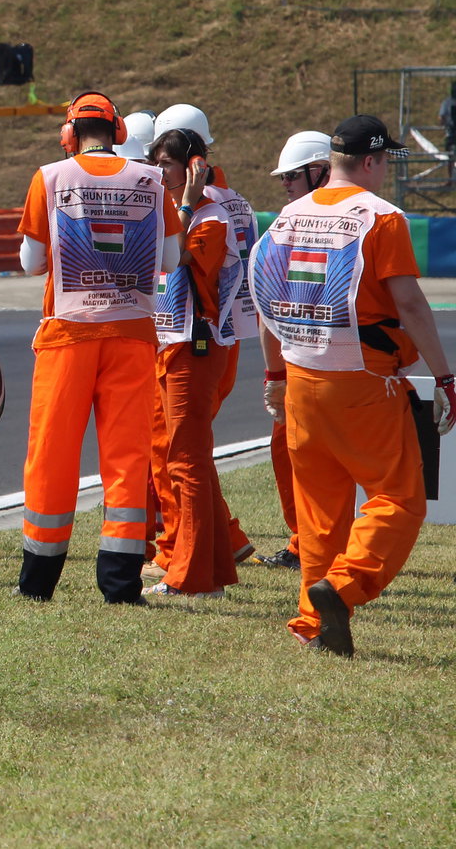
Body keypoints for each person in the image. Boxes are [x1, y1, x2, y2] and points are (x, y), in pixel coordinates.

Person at [250, 114, 456, 657]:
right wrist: (445, 374)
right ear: (371, 161)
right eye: (385, 161)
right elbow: (410, 303)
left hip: (300, 378)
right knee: (401, 499)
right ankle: (340, 589)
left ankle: (313, 625)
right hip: (362, 383)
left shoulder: (286, 218)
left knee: (320, 516)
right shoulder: (381, 219)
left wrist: (275, 375)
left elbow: (264, 307)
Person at [15, 92, 177, 604]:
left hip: (68, 335)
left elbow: (29, 262)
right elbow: (171, 258)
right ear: (119, 132)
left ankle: (38, 582)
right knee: (128, 458)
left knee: (51, 456)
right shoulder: (152, 181)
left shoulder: (50, 177)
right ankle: (120, 585)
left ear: (70, 134)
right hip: (131, 334)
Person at [141, 127, 244, 598]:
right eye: (156, 162)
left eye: (167, 163)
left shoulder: (211, 217)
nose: (159, 171)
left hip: (197, 351)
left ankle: (192, 578)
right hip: (169, 347)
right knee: (184, 459)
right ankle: (214, 573)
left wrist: (186, 198)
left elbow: (175, 256)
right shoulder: (169, 212)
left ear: (194, 167)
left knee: (187, 461)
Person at [252, 130, 333, 571]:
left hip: (327, 364)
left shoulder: (291, 225)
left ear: (320, 171)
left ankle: (316, 544)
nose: (284, 182)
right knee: (289, 452)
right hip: (305, 359)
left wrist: (274, 375)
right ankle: (307, 541)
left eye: (292, 175)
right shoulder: (287, 222)